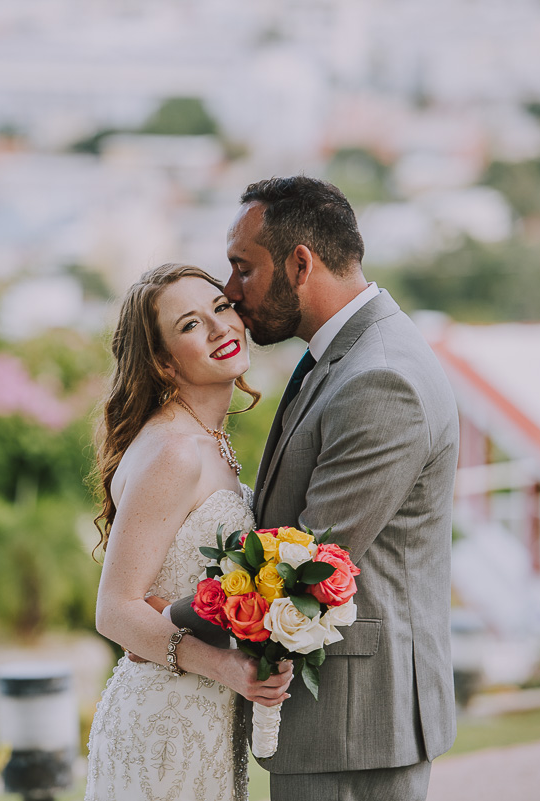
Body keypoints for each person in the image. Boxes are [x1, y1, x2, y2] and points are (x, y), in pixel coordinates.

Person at [167, 176, 460, 801]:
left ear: (301, 263)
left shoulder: (380, 379)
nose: (230, 290)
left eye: (243, 268)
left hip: (355, 724)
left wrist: (160, 629)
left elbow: (303, 564)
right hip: (337, 724)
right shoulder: (345, 355)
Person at [84, 263, 296, 801]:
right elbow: (115, 609)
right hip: (166, 726)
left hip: (208, 719)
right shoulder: (176, 451)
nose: (221, 328)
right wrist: (228, 667)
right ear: (162, 361)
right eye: (190, 325)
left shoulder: (211, 441)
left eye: (221, 308)